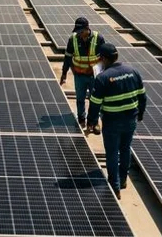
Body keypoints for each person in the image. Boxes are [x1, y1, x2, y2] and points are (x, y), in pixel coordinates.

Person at [88, 43, 146, 199]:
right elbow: (142, 96)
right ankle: (123, 180)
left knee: (112, 153)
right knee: (125, 149)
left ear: (105, 59)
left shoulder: (103, 78)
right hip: (130, 120)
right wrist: (140, 113)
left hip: (112, 122)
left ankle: (115, 186)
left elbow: (95, 103)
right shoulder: (133, 72)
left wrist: (92, 120)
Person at [59, 17, 104, 131]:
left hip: (95, 76)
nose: (79, 34)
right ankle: (81, 119)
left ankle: (94, 122)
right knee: (80, 99)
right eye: (77, 31)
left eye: (81, 31)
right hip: (79, 75)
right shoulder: (73, 39)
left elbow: (104, 58)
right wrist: (64, 72)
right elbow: (68, 56)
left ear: (87, 28)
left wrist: (105, 75)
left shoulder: (98, 38)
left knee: (95, 99)